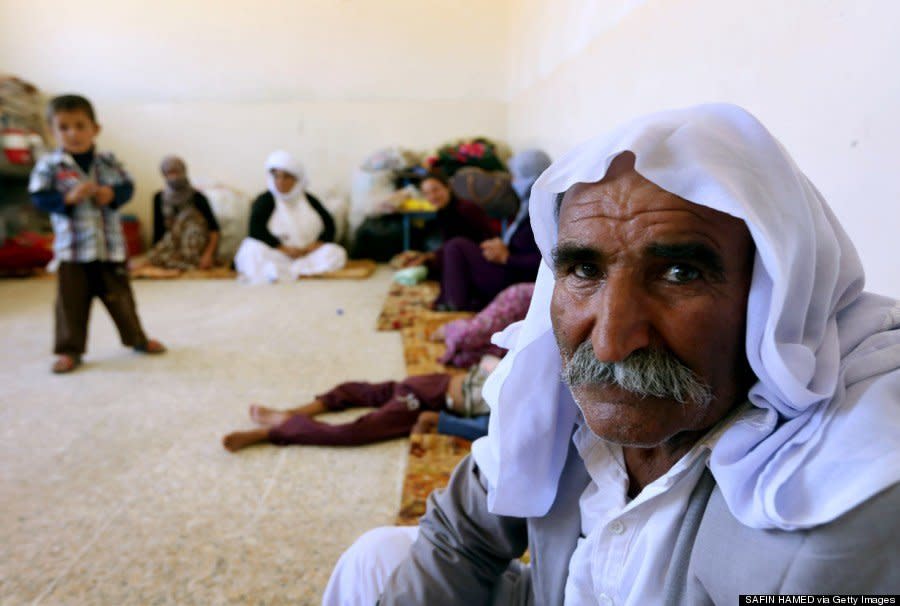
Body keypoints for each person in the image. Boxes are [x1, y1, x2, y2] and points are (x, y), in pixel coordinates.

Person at [324, 104, 900, 604]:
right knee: (376, 557)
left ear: (771, 298)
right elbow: (464, 532)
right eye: (583, 269)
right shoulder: (552, 392)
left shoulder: (832, 490)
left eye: (679, 272)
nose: (609, 340)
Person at [29, 94, 166, 374]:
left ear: (95, 129)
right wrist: (67, 199)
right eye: (64, 127)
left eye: (80, 126)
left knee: (122, 299)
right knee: (70, 306)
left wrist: (112, 194)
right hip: (73, 252)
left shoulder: (108, 161)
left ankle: (136, 338)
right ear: (51, 131)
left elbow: (128, 186)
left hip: (109, 249)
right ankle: (69, 350)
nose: (73, 134)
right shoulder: (50, 165)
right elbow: (39, 197)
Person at [221, 356, 499, 452]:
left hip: (426, 384)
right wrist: (437, 421)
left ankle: (287, 417)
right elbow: (484, 428)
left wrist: (441, 420)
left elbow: (485, 363)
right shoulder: (524, 397)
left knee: (356, 391)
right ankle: (279, 426)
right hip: (425, 398)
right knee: (354, 433)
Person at [432, 150, 548, 311]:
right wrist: (502, 247)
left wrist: (507, 258)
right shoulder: (529, 204)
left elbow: (548, 261)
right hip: (508, 265)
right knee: (454, 249)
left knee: (455, 247)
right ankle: (452, 302)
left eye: (516, 176)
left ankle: (455, 308)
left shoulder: (544, 211)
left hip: (517, 276)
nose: (513, 181)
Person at [233, 150, 346, 283]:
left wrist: (316, 244)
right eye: (276, 177)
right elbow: (256, 230)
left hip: (307, 254)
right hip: (278, 253)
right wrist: (283, 248)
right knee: (251, 250)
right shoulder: (265, 200)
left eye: (286, 177)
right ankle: (284, 271)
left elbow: (329, 225)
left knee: (336, 253)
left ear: (296, 179)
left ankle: (294, 271)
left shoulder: (309, 199)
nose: (280, 182)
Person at [399, 172, 495, 304]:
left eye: (435, 190)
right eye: (426, 193)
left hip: (482, 262)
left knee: (434, 268)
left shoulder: (465, 209)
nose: (432, 196)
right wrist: (427, 257)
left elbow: (461, 246)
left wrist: (430, 257)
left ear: (447, 187)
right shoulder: (443, 211)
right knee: (427, 265)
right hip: (461, 255)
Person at [141, 155, 220, 273]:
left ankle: (186, 262)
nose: (174, 177)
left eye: (176, 172)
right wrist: (156, 252)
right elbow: (158, 231)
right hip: (171, 243)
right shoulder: (158, 198)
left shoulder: (198, 197)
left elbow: (214, 230)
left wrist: (208, 254)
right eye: (169, 173)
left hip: (192, 244)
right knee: (152, 259)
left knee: (188, 215)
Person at [434, 281, 535, 368]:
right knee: (477, 331)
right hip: (524, 301)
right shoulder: (520, 298)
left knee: (466, 356)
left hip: (526, 338)